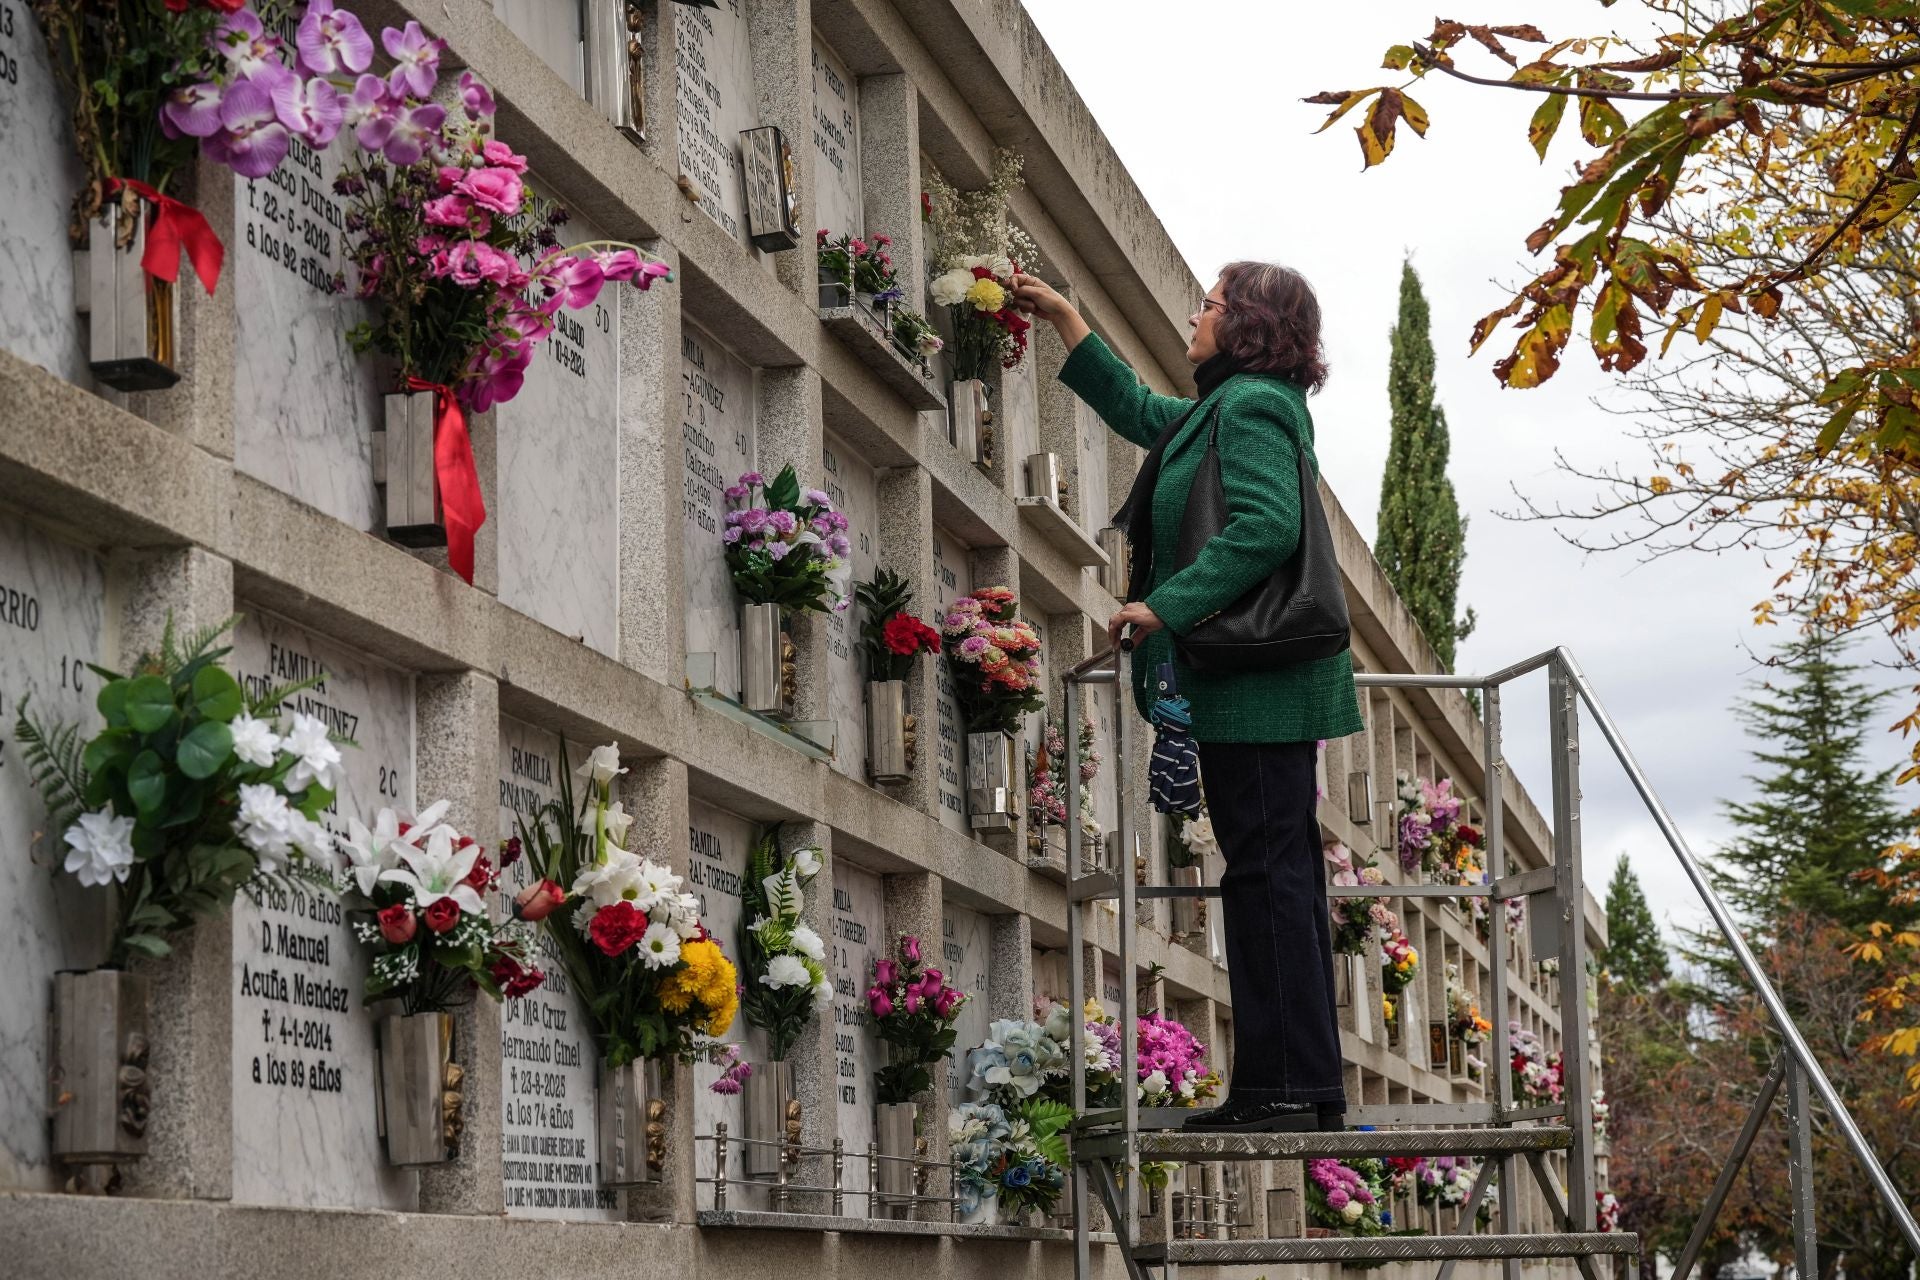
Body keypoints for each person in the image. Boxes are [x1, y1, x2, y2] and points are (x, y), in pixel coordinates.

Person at [1013, 263, 1363, 1133]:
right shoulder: (1222, 409)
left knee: (1269, 881)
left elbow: (1266, 524)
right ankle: (1294, 1087)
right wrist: (1066, 311)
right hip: (1253, 687)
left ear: (1245, 326)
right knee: (1268, 879)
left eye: (1208, 305)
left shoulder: (1253, 407)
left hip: (1260, 687)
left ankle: (1284, 1091)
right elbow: (1139, 412)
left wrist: (1165, 602)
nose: (1194, 316)